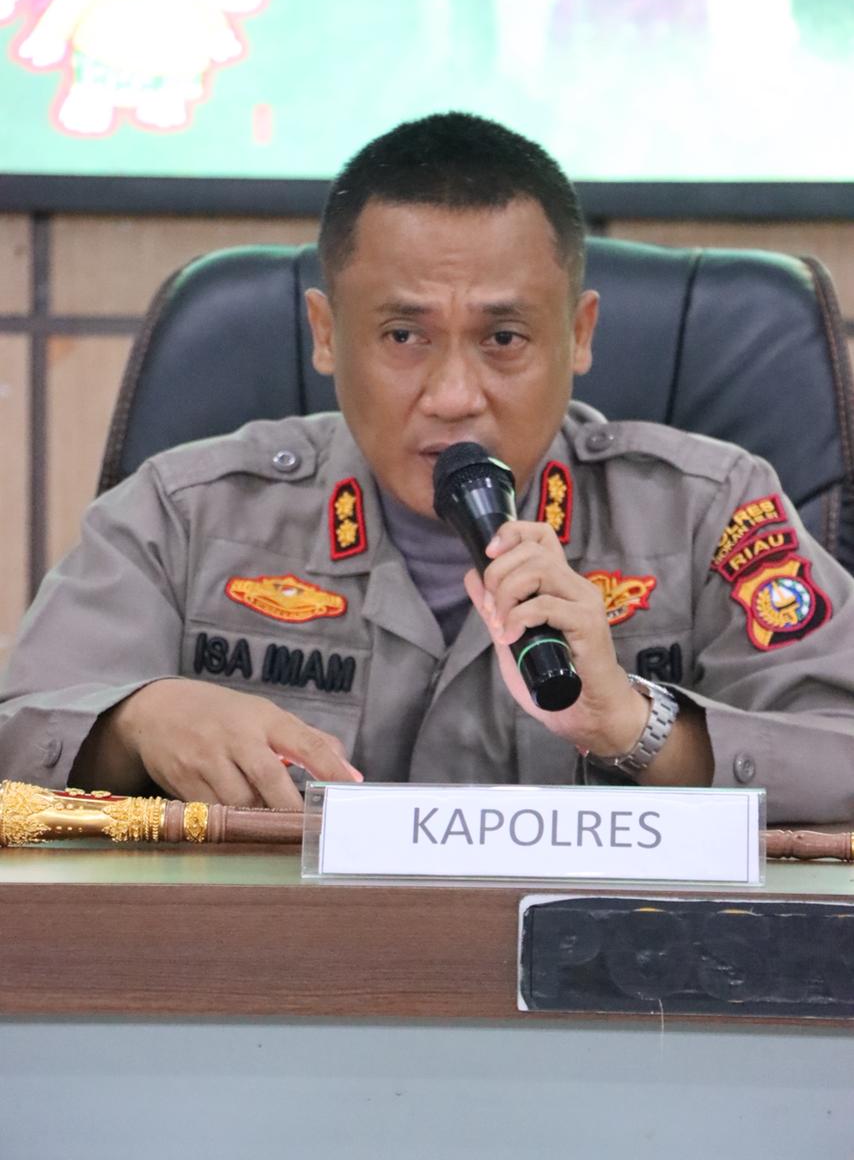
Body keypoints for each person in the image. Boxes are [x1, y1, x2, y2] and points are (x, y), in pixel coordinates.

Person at [1, 112, 853, 822]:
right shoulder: (185, 512)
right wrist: (139, 720)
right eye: (404, 336)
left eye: (503, 338)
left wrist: (637, 728)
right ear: (326, 334)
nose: (453, 396)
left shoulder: (711, 512)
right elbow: (19, 732)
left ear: (579, 334)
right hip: (273, 964)